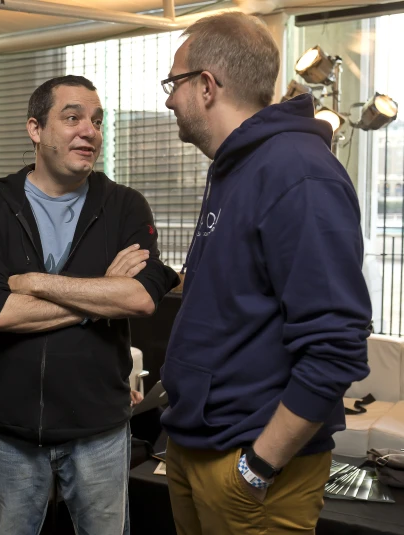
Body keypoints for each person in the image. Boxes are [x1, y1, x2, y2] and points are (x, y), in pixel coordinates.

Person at [160, 12, 372, 535]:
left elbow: (337, 345)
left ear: (206, 86)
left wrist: (256, 468)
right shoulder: (235, 167)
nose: (168, 100)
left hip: (251, 467)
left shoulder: (297, 172)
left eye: (174, 83)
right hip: (198, 446)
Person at [0, 75, 179, 535]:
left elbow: (138, 297)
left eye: (96, 120)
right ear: (36, 129)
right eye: (72, 117)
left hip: (99, 429)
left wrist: (34, 283)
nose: (89, 131)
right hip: (9, 430)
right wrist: (102, 294)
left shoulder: (125, 207)